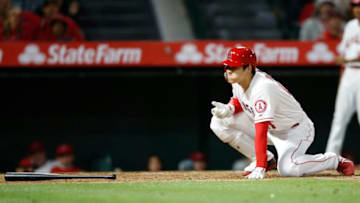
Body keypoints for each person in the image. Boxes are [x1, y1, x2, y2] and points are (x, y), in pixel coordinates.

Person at [210, 46, 355, 179]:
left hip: (294, 131)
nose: (229, 69)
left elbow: (261, 129)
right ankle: (266, 159)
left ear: (248, 68)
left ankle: (334, 160)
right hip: (271, 128)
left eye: (234, 67)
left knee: (288, 170)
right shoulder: (238, 80)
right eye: (228, 65)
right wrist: (229, 108)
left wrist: (260, 167)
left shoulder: (263, 87)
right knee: (218, 122)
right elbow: (240, 98)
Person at [326, 0, 360, 154]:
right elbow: (343, 54)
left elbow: (345, 58)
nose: (357, 9)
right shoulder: (350, 26)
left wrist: (346, 60)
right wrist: (342, 79)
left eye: (359, 6)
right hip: (348, 74)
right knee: (339, 118)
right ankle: (330, 157)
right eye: (355, 6)